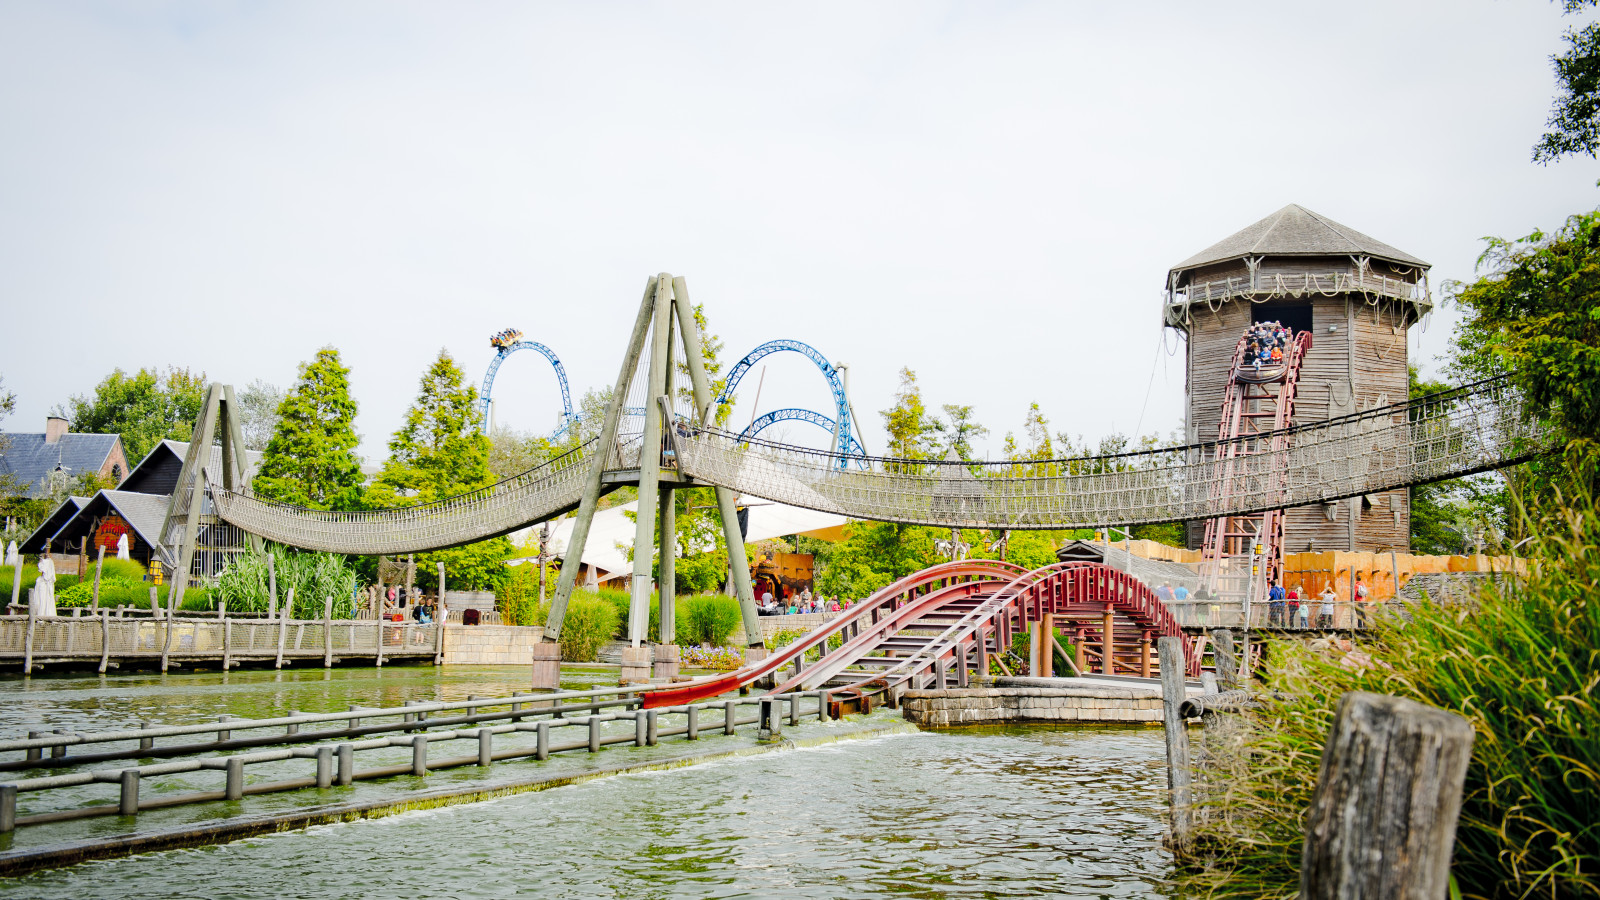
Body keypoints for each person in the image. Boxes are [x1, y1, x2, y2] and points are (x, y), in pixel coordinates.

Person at [32, 550, 56, 617]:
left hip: (45, 586)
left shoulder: (45, 581)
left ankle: (43, 613)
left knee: (44, 600)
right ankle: (41, 613)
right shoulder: (40, 580)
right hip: (43, 586)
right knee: (41, 601)